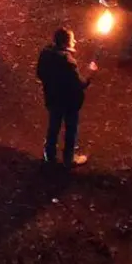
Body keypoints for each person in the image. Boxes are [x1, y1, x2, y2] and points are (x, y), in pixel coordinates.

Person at [36, 28, 95, 167]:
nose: (75, 41)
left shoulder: (46, 54)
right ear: (65, 43)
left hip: (52, 98)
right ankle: (69, 157)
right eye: (72, 39)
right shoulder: (67, 61)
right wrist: (90, 73)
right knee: (71, 128)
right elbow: (79, 84)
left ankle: (49, 154)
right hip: (69, 102)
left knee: (53, 126)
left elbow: (40, 73)